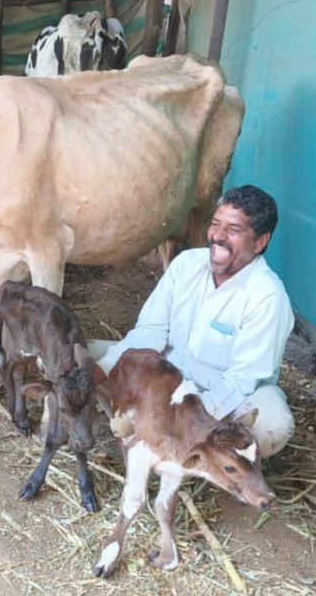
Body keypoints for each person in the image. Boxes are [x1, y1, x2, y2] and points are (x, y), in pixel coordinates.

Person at [90, 185, 295, 458]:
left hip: (223, 401)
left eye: (233, 230)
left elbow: (240, 381)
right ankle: (138, 428)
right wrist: (100, 370)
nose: (217, 236)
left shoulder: (267, 297)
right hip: (165, 380)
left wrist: (180, 417)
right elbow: (150, 332)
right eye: (215, 224)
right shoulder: (186, 264)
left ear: (259, 242)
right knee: (78, 357)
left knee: (273, 425)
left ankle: (210, 456)